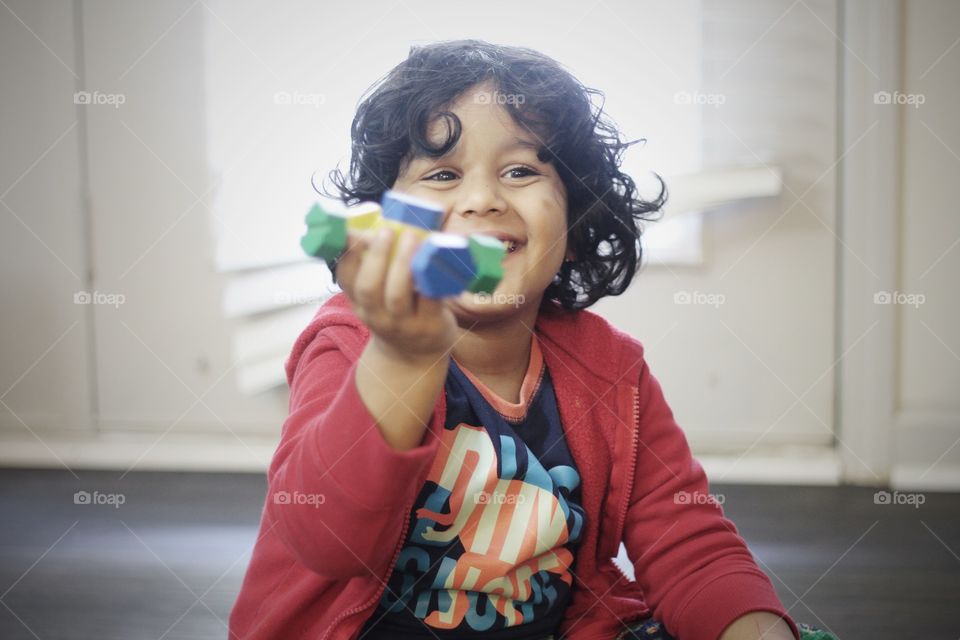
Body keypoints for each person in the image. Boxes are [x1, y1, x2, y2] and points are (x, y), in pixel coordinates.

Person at [229, 40, 808, 640]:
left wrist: (755, 628)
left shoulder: (612, 370)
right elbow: (326, 540)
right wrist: (402, 360)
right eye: (443, 174)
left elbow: (690, 544)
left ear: (577, 218)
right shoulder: (351, 346)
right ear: (389, 229)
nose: (482, 199)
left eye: (521, 171)